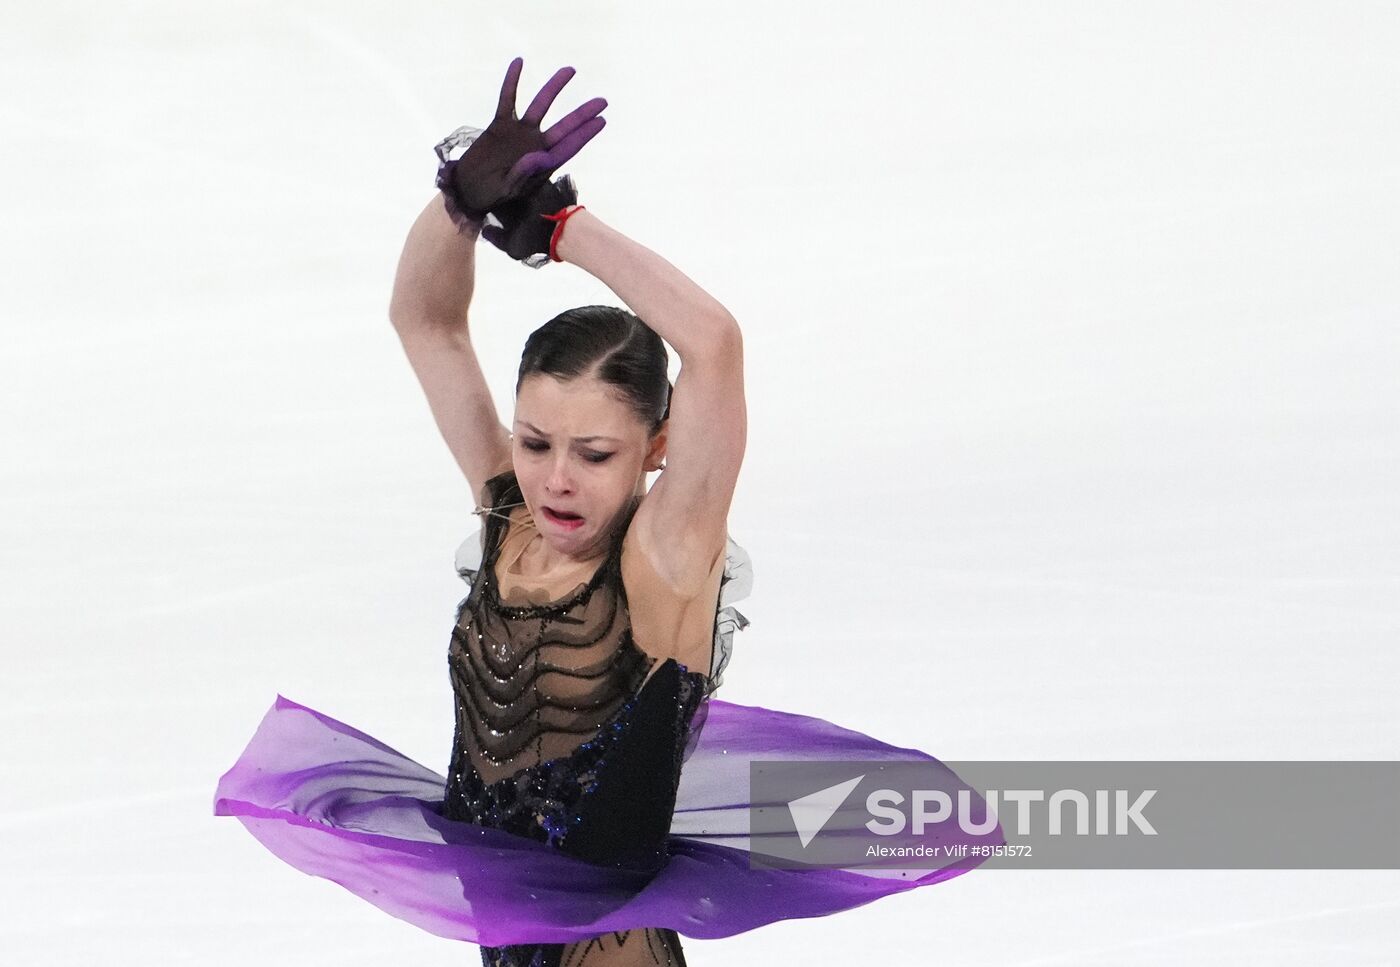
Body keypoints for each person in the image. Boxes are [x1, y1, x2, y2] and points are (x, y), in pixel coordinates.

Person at [213, 57, 1000, 966]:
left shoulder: (665, 556)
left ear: (656, 449)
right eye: (536, 440)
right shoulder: (509, 510)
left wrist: (561, 227)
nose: (555, 479)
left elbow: (712, 343)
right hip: (502, 936)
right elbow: (424, 320)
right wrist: (462, 205)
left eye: (595, 455)